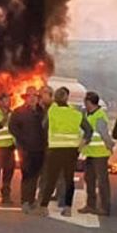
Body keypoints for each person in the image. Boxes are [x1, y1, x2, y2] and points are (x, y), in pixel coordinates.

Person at [34, 87, 83, 216]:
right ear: (67, 97)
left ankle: (44, 207)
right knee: (69, 179)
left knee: (51, 178)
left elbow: (44, 127)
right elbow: (88, 130)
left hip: (55, 150)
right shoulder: (76, 113)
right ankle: (68, 208)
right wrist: (81, 145)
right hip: (71, 151)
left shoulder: (52, 112)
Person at [13, 85, 50, 213]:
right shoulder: (18, 112)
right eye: (30, 96)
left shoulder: (42, 112)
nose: (33, 98)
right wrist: (22, 142)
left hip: (40, 149)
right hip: (25, 150)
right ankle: (25, 201)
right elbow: (13, 129)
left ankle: (32, 200)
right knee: (27, 175)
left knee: (35, 176)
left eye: (35, 96)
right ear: (25, 98)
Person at [79, 91, 114, 215]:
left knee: (102, 181)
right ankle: (90, 205)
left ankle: (104, 207)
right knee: (89, 179)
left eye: (85, 102)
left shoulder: (99, 116)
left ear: (89, 102)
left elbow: (104, 135)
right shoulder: (88, 114)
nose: (84, 104)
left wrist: (110, 147)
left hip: (100, 154)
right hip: (90, 153)